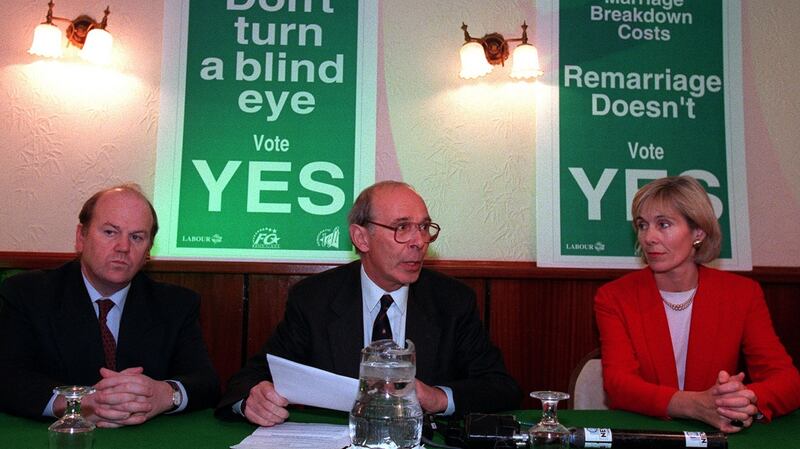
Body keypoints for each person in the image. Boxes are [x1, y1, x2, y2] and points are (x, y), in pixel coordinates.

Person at [216, 180, 521, 425]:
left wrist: (437, 399)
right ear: (361, 238)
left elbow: (500, 387)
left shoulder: (452, 300)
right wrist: (253, 399)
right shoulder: (315, 299)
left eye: (424, 227)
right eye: (402, 227)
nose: (419, 242)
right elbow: (252, 377)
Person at [0, 185, 219, 426]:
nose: (123, 247)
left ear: (148, 250)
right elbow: (8, 377)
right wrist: (78, 403)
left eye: (136, 237)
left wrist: (164, 395)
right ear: (81, 237)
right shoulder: (28, 293)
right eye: (110, 232)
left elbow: (206, 382)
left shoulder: (176, 305)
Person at [595, 175, 800, 433]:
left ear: (698, 232)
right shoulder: (614, 296)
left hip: (716, 435)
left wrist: (742, 400)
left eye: (663, 224)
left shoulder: (742, 294)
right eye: (642, 225)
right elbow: (619, 385)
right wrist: (694, 405)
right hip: (647, 433)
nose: (649, 237)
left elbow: (788, 381)